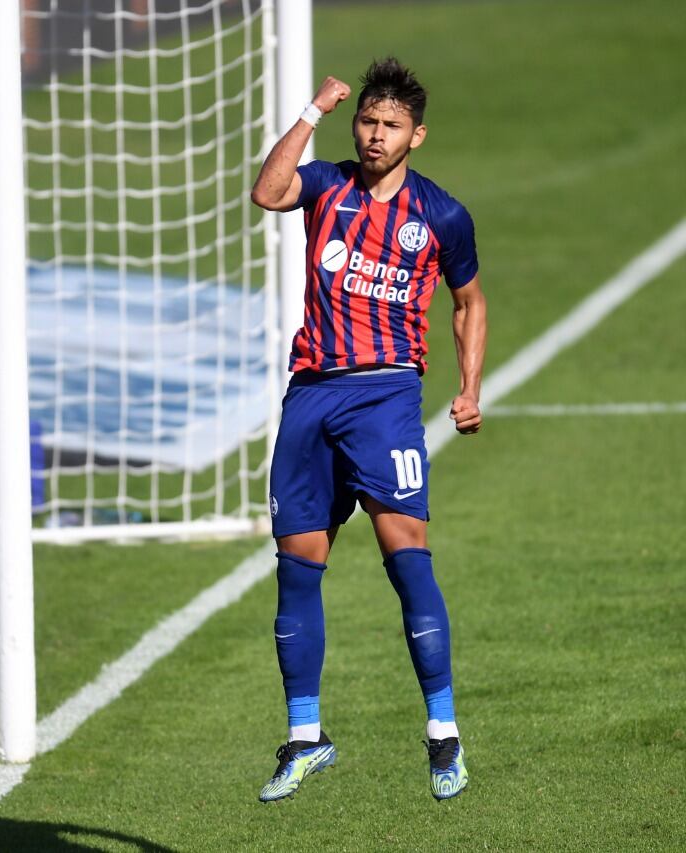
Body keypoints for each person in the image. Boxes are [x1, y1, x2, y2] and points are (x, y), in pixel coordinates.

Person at [249, 58, 486, 801]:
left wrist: (470, 387)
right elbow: (266, 191)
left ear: (417, 135)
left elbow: (468, 301)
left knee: (406, 555)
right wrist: (313, 111)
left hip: (385, 395)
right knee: (297, 563)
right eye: (367, 122)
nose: (375, 135)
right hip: (311, 397)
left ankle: (443, 735)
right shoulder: (327, 184)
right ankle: (304, 736)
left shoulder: (440, 215)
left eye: (389, 125)